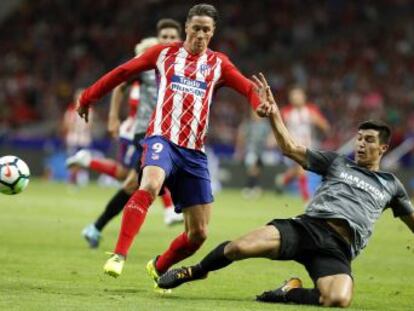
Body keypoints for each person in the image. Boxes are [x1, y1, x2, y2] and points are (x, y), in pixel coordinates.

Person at [156, 73, 414, 308]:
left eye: (368, 140)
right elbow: (290, 147)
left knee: (337, 299)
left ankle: (289, 292)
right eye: (359, 138)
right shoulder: (337, 162)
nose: (360, 144)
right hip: (306, 228)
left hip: (338, 249)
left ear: (383, 148)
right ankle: (196, 270)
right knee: (238, 248)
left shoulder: (391, 185)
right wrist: (274, 113)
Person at [76, 3, 273, 291]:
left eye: (207, 30)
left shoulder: (219, 64)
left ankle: (158, 267)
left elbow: (247, 88)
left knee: (199, 234)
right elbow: (122, 72)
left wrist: (260, 104)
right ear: (186, 28)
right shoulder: (164, 54)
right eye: (196, 29)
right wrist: (88, 97)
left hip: (194, 152)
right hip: (161, 138)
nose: (200, 35)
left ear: (213, 32)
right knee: (150, 183)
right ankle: (119, 254)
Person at [71, 19, 184, 248]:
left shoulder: (184, 66)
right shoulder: (150, 63)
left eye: (173, 37)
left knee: (132, 182)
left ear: (180, 39)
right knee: (144, 179)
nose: (169, 41)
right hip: (146, 131)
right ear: (158, 39)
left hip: (172, 131)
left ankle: (96, 227)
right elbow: (120, 83)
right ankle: (171, 212)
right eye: (165, 37)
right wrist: (113, 116)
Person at [275, 86, 330, 201]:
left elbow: (325, 125)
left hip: (308, 145)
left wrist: (319, 122)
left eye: (298, 95)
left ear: (304, 97)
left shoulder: (311, 110)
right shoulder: (286, 112)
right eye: (294, 96)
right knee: (301, 169)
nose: (296, 98)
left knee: (299, 170)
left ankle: (282, 180)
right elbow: (278, 127)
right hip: (291, 146)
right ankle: (306, 199)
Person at [234, 109, 271, 199]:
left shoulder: (265, 125)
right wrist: (239, 150)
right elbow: (241, 136)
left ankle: (253, 187)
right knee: (252, 168)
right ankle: (250, 188)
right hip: (250, 150)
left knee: (257, 170)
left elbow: (270, 137)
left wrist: (270, 142)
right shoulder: (248, 124)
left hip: (261, 151)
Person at [62, 88, 93, 186]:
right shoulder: (71, 110)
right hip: (73, 138)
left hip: (84, 139)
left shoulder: (89, 109)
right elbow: (66, 124)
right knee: (73, 159)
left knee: (83, 158)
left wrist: (80, 128)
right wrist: (76, 127)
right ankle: (72, 178)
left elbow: (90, 124)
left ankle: (82, 178)